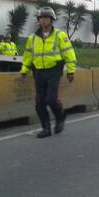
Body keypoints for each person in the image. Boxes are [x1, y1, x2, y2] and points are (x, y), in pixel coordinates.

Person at [20, 7, 76, 138]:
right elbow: (28, 55)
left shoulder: (60, 35)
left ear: (51, 20)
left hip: (53, 72)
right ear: (39, 20)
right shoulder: (32, 38)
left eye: (46, 18)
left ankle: (60, 117)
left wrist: (71, 71)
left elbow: (69, 54)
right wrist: (24, 70)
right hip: (38, 73)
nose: (43, 20)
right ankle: (46, 128)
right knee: (39, 103)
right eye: (41, 18)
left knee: (51, 100)